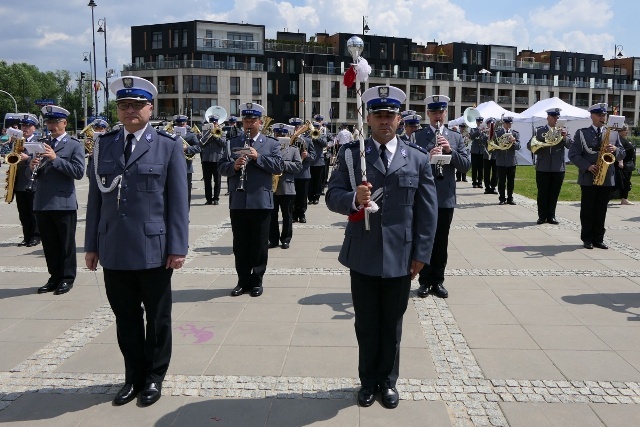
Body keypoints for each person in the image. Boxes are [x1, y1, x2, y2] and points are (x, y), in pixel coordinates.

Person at [326, 85, 437, 410]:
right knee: (366, 323)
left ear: (399, 119)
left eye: (390, 115)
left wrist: (422, 254)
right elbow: (332, 195)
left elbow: (427, 212)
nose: (384, 120)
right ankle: (366, 381)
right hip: (363, 255)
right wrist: (352, 199)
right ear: (368, 118)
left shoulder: (415, 158)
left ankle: (387, 382)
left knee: (392, 324)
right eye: (378, 115)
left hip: (401, 257)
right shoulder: (352, 155)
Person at [85, 76, 189, 406]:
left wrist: (177, 247)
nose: (129, 111)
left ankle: (154, 378)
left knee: (157, 319)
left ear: (149, 108)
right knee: (125, 318)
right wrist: (91, 245)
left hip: (154, 250)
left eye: (136, 105)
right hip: (113, 247)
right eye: (123, 105)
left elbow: (178, 202)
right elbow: (95, 200)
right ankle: (133, 376)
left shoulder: (168, 145)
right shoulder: (104, 144)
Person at [218, 102, 284, 297]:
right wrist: (234, 167)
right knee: (240, 244)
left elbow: (279, 166)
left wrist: (258, 157)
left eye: (252, 121)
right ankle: (242, 280)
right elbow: (221, 167)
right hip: (238, 201)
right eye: (246, 121)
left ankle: (257, 280)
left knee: (259, 243)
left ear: (260, 122)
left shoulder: (271, 143)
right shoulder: (232, 142)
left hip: (261, 201)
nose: (248, 124)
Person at [414, 95, 470, 299]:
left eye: (441, 112)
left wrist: (449, 151)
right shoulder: (418, 137)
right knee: (423, 238)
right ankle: (424, 281)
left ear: (446, 113)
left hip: (445, 197)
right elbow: (411, 164)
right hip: (423, 196)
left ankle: (437, 280)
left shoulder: (455, 137)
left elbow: (465, 165)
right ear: (428, 114)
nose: (438, 116)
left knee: (441, 241)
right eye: (434, 112)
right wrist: (428, 157)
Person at [30, 105, 85, 295]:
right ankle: (54, 277)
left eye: (55, 122)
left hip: (63, 202)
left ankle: (67, 278)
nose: (51, 126)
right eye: (49, 122)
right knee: (50, 244)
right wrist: (33, 166)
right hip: (43, 201)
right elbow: (39, 175)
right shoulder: (42, 143)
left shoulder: (74, 145)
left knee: (65, 244)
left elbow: (78, 172)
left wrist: (55, 159)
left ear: (65, 123)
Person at [568, 103, 624, 250]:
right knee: (587, 210)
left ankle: (598, 239)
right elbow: (573, 154)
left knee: (601, 210)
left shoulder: (612, 133)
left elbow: (623, 153)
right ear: (591, 116)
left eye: (604, 115)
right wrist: (587, 166)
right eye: (599, 115)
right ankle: (587, 239)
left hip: (606, 177)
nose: (602, 117)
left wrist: (616, 149)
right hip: (589, 177)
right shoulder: (582, 133)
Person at [527, 107, 573, 224]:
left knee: (554, 193)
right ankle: (542, 216)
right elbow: (530, 146)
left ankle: (551, 216)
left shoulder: (564, 130)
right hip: (543, 166)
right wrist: (541, 145)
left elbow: (570, 146)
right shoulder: (539, 131)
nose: (555, 119)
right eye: (553, 117)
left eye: (557, 117)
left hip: (558, 167)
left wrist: (564, 137)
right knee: (542, 193)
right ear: (548, 117)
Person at [269, 124, 302, 249]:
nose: (280, 137)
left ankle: (286, 239)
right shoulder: (270, 148)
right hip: (272, 187)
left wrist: (283, 164)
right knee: (272, 215)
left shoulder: (293, 149)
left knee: (287, 215)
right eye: (278, 135)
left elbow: (298, 166)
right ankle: (273, 239)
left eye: (282, 135)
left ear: (287, 136)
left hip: (287, 187)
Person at [14, 114, 41, 247]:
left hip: (32, 182)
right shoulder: (18, 142)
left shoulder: (38, 141)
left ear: (34, 128)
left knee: (33, 211)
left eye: (28, 126)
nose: (25, 129)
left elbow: (41, 160)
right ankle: (27, 236)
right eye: (23, 126)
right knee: (23, 212)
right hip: (19, 182)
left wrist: (28, 158)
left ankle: (36, 236)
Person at [291, 118, 316, 223]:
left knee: (302, 196)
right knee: (292, 196)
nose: (297, 128)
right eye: (294, 126)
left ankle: (301, 214)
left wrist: (307, 155)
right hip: (292, 172)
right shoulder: (289, 139)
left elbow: (314, 156)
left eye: (298, 126)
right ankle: (292, 215)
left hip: (303, 172)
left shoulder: (308, 140)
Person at [173, 114, 200, 207]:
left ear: (186, 123)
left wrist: (186, 148)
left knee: (186, 192)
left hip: (186, 167)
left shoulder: (191, 135)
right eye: (178, 124)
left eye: (182, 124)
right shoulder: (170, 134)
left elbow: (198, 148)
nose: (180, 126)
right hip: (172, 167)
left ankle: (185, 212)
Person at [493, 116, 521, 205]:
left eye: (510, 123)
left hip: (511, 161)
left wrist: (513, 141)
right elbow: (493, 145)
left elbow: (518, 146)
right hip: (501, 160)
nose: (509, 125)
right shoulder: (498, 133)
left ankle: (510, 198)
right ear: (503, 124)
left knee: (511, 181)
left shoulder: (515, 134)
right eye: (507, 123)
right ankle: (502, 198)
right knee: (501, 181)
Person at [200, 114, 226, 205]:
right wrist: (208, 135)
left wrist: (215, 135)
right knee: (207, 180)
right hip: (206, 159)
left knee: (217, 180)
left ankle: (216, 198)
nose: (213, 124)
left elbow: (223, 144)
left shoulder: (222, 132)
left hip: (217, 159)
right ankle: (208, 199)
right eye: (211, 122)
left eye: (215, 122)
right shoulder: (205, 132)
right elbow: (201, 143)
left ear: (217, 123)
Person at [308, 121, 327, 204]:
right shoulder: (308, 135)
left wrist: (316, 136)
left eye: (317, 128)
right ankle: (310, 197)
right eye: (314, 128)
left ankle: (317, 196)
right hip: (310, 161)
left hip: (319, 161)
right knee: (310, 181)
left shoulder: (322, 135)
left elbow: (324, 143)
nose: (316, 129)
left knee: (318, 180)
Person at [615, 125, 635, 205]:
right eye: (626, 130)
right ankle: (623, 198)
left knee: (626, 181)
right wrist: (621, 161)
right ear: (621, 131)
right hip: (623, 165)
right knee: (622, 182)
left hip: (628, 164)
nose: (627, 131)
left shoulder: (623, 139)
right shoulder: (619, 139)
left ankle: (624, 199)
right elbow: (620, 151)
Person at [468, 116, 486, 188]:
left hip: (481, 151)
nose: (480, 123)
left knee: (481, 168)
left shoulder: (484, 130)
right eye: (479, 122)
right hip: (474, 151)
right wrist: (479, 131)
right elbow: (472, 136)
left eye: (481, 122)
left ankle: (480, 182)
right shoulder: (473, 129)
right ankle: (474, 182)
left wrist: (483, 132)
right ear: (476, 122)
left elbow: (485, 139)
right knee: (474, 167)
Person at [482, 118, 498, 194]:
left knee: (495, 172)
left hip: (495, 155)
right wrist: (487, 134)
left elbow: (498, 142)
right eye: (490, 124)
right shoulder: (484, 132)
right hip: (486, 155)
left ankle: (493, 186)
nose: (491, 125)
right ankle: (487, 187)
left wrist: (493, 133)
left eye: (493, 124)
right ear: (487, 124)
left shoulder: (497, 133)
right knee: (486, 172)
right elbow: (482, 142)